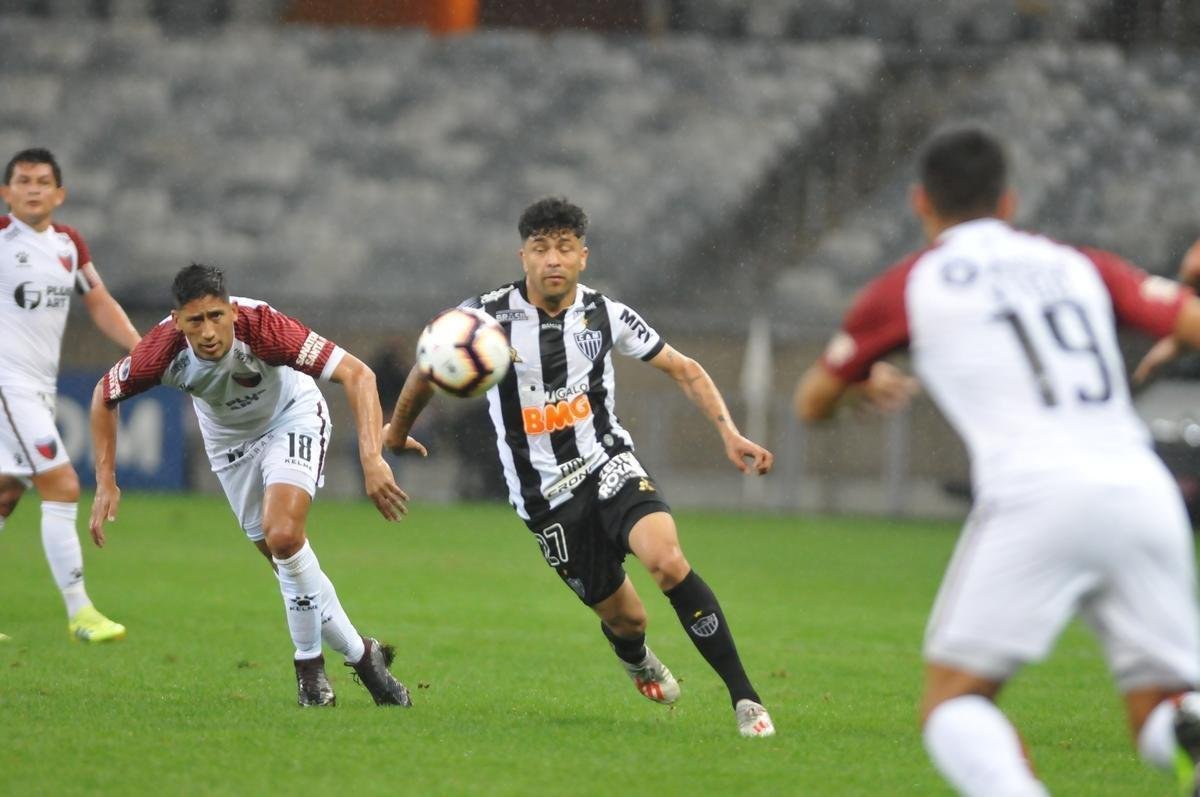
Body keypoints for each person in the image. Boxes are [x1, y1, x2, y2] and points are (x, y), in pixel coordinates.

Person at [795, 126, 1200, 795]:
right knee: (1162, 707)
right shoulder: (1080, 264)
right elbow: (1188, 321)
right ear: (1008, 202)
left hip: (1037, 494)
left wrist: (861, 386)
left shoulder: (909, 285)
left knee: (953, 703)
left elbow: (812, 402)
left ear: (921, 202)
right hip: (1140, 487)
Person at [383, 196, 777, 738]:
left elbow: (684, 368)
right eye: (541, 248)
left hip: (607, 464)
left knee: (667, 561)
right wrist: (396, 431)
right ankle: (634, 656)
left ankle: (746, 699)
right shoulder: (483, 317)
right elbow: (428, 367)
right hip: (545, 499)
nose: (553, 259)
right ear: (523, 256)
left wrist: (729, 432)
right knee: (628, 619)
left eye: (564, 248)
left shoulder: (605, 313)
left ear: (582, 257)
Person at [88, 264, 421, 708]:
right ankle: (364, 657)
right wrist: (105, 480)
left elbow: (358, 374)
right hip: (229, 446)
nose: (208, 331)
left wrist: (372, 459)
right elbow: (103, 396)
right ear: (178, 321)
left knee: (283, 535)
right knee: (290, 568)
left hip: (292, 418)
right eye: (195, 321)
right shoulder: (161, 351)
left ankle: (310, 673)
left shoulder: (263, 327)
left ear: (230, 310)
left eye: (216, 316)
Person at [0, 148, 141, 643]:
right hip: (7, 386)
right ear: (6, 192)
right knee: (61, 484)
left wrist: (141, 348)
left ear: (59, 193)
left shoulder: (69, 245)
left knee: (6, 492)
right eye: (23, 180)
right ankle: (81, 612)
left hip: (38, 388)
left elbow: (98, 302)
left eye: (43, 181)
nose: (33, 189)